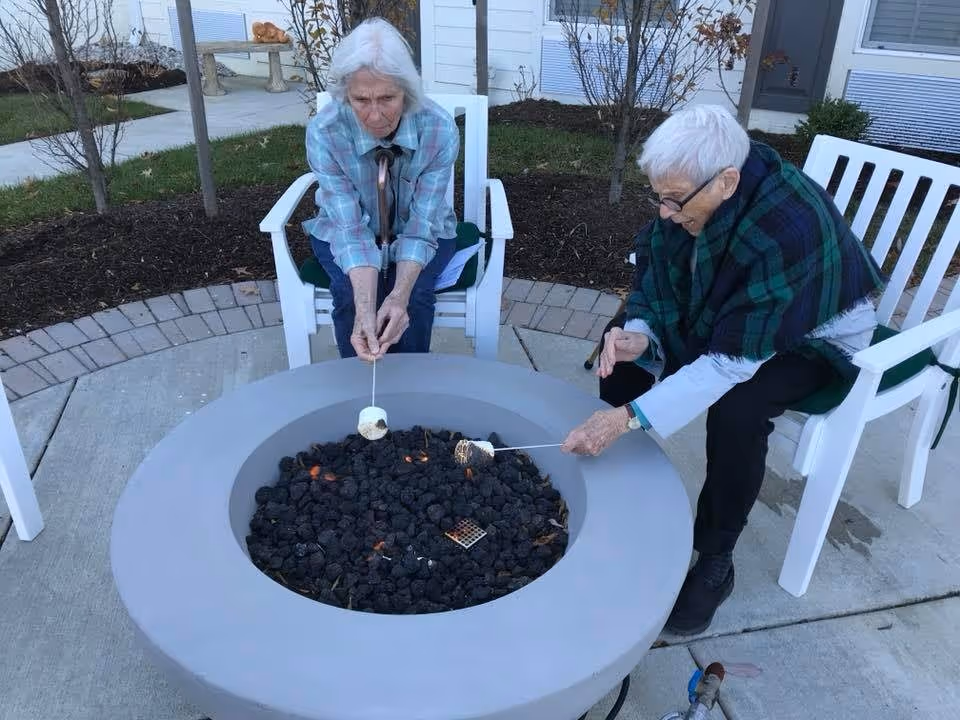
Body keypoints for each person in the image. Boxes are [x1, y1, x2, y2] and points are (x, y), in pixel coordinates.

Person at [561, 105, 884, 635]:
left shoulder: (788, 225)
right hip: (738, 311)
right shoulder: (697, 182)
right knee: (618, 356)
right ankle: (611, 499)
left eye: (673, 200)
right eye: (657, 196)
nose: (664, 213)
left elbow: (733, 361)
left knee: (738, 409)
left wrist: (626, 419)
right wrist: (641, 332)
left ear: (727, 180)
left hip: (815, 334)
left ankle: (716, 558)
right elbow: (656, 269)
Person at [303, 17, 459, 361]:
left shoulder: (439, 130)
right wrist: (365, 306)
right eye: (361, 100)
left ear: (408, 91)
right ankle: (361, 401)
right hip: (348, 230)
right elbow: (351, 230)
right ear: (346, 96)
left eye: (388, 97)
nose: (375, 116)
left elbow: (422, 227)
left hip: (423, 229)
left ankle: (411, 401)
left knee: (414, 298)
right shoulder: (324, 132)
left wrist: (398, 297)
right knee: (349, 296)